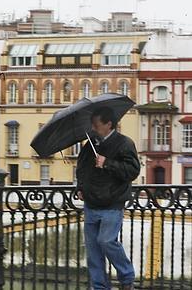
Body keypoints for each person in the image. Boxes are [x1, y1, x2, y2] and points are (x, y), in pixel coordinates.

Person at [76, 106, 140, 290]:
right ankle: (99, 286)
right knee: (93, 251)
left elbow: (132, 171)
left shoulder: (124, 143)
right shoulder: (90, 145)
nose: (93, 128)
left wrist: (107, 163)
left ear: (108, 124)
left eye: (96, 125)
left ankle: (127, 278)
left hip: (112, 203)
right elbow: (82, 168)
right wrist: (80, 187)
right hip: (91, 203)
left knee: (106, 241)